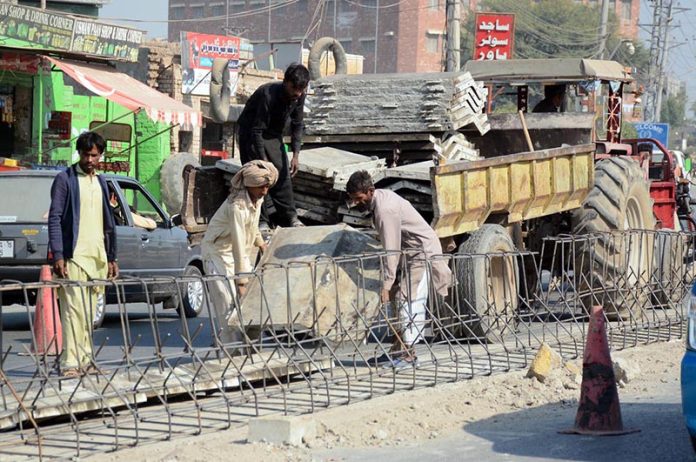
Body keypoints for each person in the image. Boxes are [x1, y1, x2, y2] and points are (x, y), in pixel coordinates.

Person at [346, 171, 452, 368]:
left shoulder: (386, 209)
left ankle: (408, 355)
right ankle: (398, 350)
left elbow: (391, 249)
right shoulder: (379, 202)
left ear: (370, 191)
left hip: (421, 252)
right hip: (409, 253)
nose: (357, 204)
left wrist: (386, 284)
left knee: (406, 298)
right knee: (399, 298)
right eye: (353, 200)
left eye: (359, 199)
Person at [48, 131, 118, 377]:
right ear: (79, 154)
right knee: (72, 311)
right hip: (73, 257)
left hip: (97, 257)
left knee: (89, 314)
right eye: (86, 155)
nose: (90, 160)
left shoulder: (100, 181)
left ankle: (86, 360)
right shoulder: (65, 180)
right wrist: (58, 254)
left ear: (101, 156)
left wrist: (111, 257)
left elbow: (108, 223)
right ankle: (69, 363)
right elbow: (55, 218)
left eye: (95, 155)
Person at [201, 160, 278, 343]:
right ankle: (230, 354)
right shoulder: (237, 206)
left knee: (251, 306)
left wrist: (262, 245)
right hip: (217, 254)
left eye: (267, 187)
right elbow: (238, 241)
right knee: (227, 307)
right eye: (261, 187)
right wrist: (241, 281)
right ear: (250, 185)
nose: (264, 192)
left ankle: (249, 350)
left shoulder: (256, 199)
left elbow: (252, 226)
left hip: (239, 254)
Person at [236, 63, 309, 229]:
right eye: (294, 88)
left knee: (283, 175)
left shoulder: (299, 95)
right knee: (259, 176)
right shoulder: (267, 94)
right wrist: (263, 161)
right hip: (250, 133)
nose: (297, 93)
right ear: (285, 82)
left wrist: (296, 155)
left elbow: (298, 124)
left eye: (301, 89)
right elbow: (256, 130)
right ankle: (261, 221)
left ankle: (291, 218)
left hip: (274, 134)